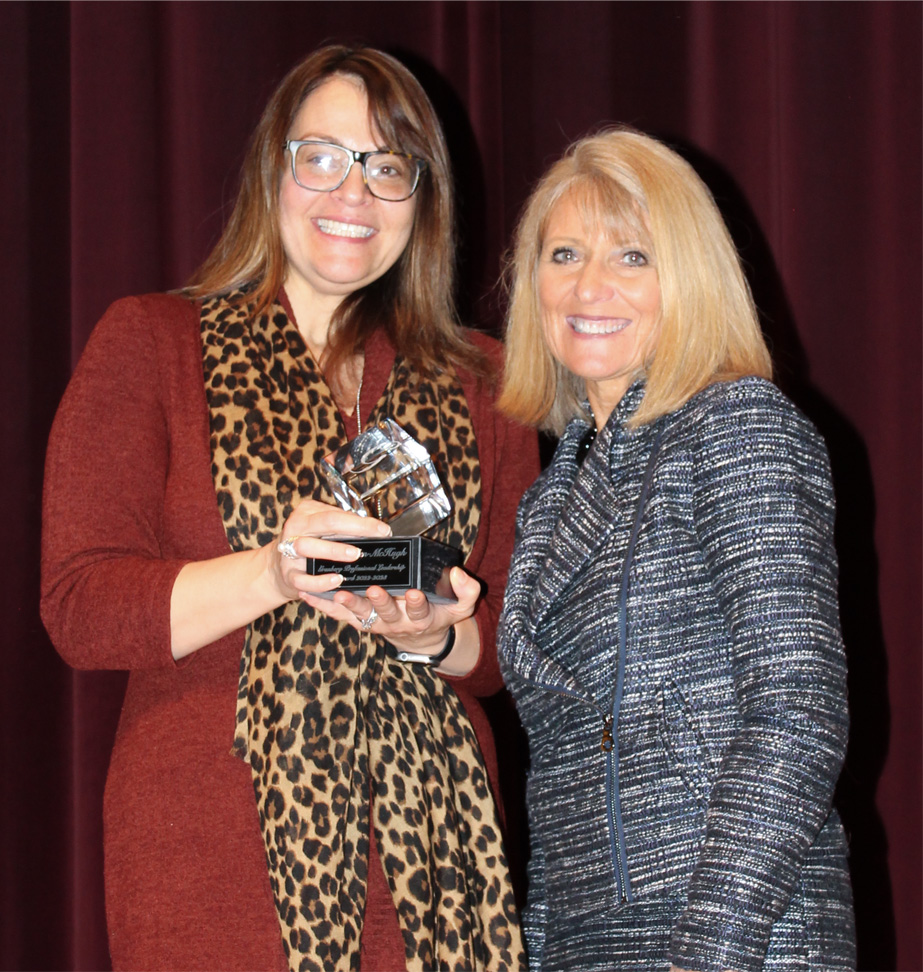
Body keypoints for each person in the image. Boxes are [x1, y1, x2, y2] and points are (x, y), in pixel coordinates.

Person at [42, 45, 533, 972]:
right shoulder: (151, 342)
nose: (353, 193)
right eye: (323, 157)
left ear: (422, 201)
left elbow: (511, 640)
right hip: (211, 855)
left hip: (434, 858)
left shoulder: (486, 378)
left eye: (387, 168)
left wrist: (432, 631)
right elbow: (82, 607)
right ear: (275, 171)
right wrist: (273, 570)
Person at [496, 128, 855, 972]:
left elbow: (797, 714)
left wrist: (708, 952)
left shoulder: (735, 424)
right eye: (564, 253)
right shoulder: (552, 494)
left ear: (687, 276)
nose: (588, 284)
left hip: (737, 927)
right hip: (589, 937)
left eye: (631, 256)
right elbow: (559, 769)